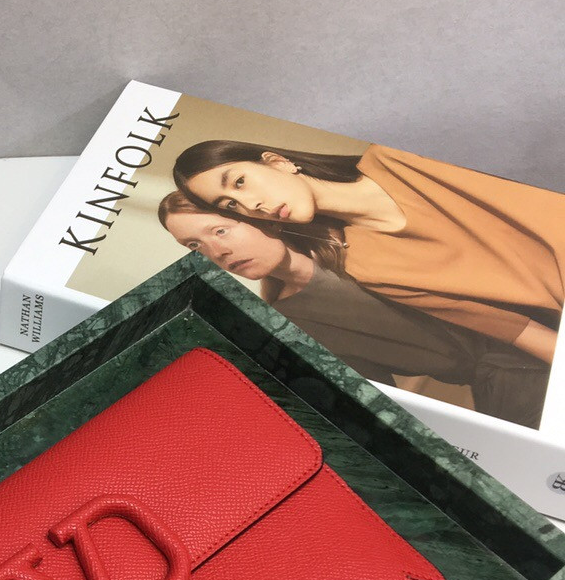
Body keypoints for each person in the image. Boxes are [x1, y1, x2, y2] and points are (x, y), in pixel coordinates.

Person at [157, 191, 550, 428]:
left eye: (220, 231)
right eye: (195, 246)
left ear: (257, 218)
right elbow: (387, 409)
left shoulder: (351, 235)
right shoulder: (288, 326)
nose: (216, 252)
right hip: (512, 395)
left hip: (544, 324)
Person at [172, 139, 565, 365]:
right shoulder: (368, 266)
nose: (250, 205)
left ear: (279, 162)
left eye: (240, 182)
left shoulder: (398, 155)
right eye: (230, 205)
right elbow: (520, 331)